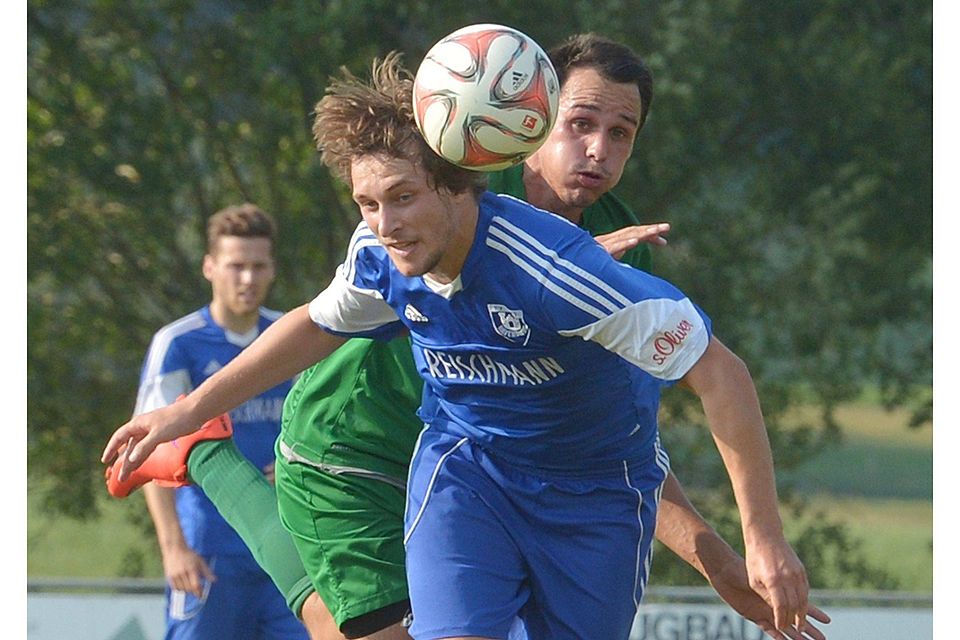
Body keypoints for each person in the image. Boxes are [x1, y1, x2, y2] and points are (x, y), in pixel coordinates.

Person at [103, 50, 816, 640]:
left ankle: (202, 446)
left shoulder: (589, 267)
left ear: (454, 186)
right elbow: (319, 322)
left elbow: (625, 420)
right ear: (525, 122)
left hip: (562, 493)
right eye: (578, 122)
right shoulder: (420, 201)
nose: (596, 148)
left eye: (620, 131)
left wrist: (735, 550)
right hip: (364, 445)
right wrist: (187, 408)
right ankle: (205, 450)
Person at [132, 204, 308, 640]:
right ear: (210, 267)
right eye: (235, 266)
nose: (247, 279)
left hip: (287, 549)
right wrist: (174, 548)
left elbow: (318, 432)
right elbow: (149, 453)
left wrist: (294, 468)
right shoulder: (178, 344)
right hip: (209, 555)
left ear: (272, 270)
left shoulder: (291, 338)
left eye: (258, 266)